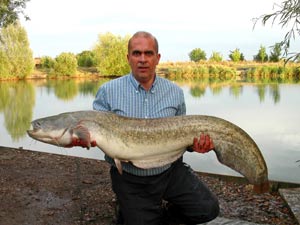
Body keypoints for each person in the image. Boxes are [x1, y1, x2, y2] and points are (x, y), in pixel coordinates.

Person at [93, 31, 219, 225]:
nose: (142, 59)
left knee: (208, 209)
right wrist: (83, 138)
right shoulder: (108, 91)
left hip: (169, 172)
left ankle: (160, 215)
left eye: (148, 53)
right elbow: (95, 132)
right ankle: (129, 211)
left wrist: (196, 146)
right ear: (128, 58)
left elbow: (183, 137)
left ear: (157, 58)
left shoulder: (175, 92)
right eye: (136, 53)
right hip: (129, 177)